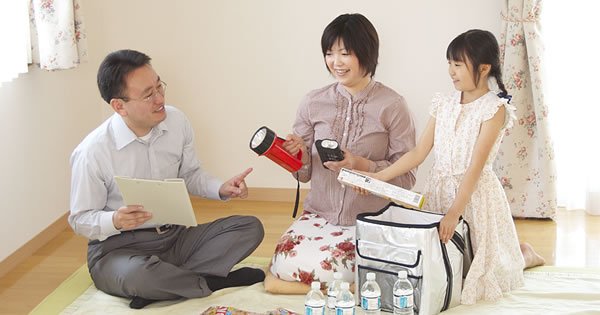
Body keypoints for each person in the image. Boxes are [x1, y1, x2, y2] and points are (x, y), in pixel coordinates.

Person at [356, 29, 545, 304]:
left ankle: (523, 254)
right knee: (443, 263)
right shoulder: (443, 103)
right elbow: (419, 152)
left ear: (483, 67)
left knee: (479, 270)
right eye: (449, 63)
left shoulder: (494, 109)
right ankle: (515, 252)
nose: (451, 71)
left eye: (458, 64)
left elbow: (475, 167)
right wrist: (378, 177)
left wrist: (454, 213)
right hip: (439, 190)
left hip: (474, 194)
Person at [68, 49, 265, 309]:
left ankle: (166, 284)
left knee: (249, 227)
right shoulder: (93, 151)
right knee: (138, 274)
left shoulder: (177, 121)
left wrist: (222, 188)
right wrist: (114, 219)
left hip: (174, 238)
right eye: (148, 95)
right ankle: (209, 282)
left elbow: (190, 174)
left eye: (159, 87)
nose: (159, 99)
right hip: (118, 250)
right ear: (119, 106)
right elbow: (80, 219)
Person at [264, 13, 417, 293]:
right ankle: (351, 287)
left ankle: (343, 285)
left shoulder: (393, 105)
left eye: (345, 53)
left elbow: (406, 178)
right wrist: (296, 155)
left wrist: (363, 167)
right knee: (282, 264)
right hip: (320, 214)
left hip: (372, 216)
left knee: (327, 269)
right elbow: (305, 174)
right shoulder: (313, 102)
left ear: (366, 53)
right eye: (329, 53)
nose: (336, 62)